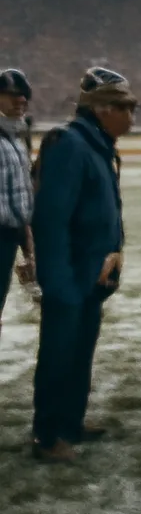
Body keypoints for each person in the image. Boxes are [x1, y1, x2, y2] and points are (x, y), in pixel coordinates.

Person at [31, 67, 137, 462]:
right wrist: (58, 282)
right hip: (69, 277)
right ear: (102, 109)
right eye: (125, 108)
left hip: (91, 277)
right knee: (59, 355)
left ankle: (71, 422)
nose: (131, 117)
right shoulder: (70, 145)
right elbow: (51, 219)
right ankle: (47, 437)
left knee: (79, 355)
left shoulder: (97, 145)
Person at [0, 68, 35, 342]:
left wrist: (28, 246)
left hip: (9, 237)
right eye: (12, 94)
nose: (21, 100)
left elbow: (21, 199)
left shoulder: (17, 139)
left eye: (24, 96)